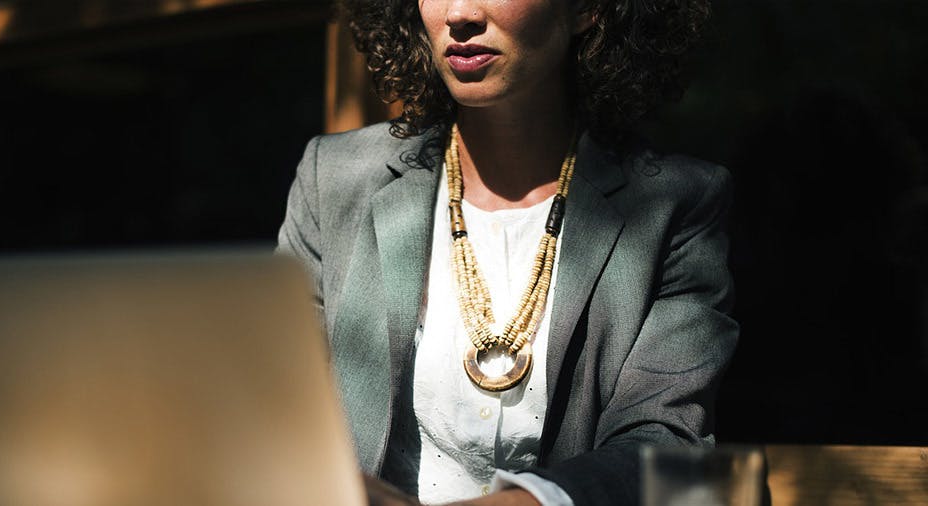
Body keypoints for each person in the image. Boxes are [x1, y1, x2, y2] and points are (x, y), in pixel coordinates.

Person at [277, 0, 737, 504]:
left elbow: (668, 446)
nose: (458, 13)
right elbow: (276, 405)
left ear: (586, 9)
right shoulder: (336, 179)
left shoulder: (676, 204)